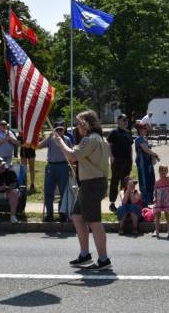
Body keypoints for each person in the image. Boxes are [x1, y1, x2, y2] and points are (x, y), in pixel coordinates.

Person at [54, 109, 112, 271]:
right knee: (77, 216)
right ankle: (85, 254)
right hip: (93, 182)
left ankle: (103, 259)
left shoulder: (89, 140)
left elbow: (73, 155)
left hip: (92, 183)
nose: (77, 126)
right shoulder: (99, 139)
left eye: (79, 122)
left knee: (94, 221)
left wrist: (60, 143)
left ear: (85, 124)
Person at [38, 122, 73, 222]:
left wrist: (71, 167)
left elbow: (71, 154)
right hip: (51, 166)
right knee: (48, 191)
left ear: (64, 130)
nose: (59, 131)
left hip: (63, 166)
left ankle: (62, 212)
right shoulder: (51, 139)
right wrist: (48, 137)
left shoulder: (67, 139)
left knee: (63, 191)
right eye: (57, 129)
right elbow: (39, 146)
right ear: (54, 130)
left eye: (61, 129)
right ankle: (49, 214)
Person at [107, 114, 134, 213]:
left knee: (125, 182)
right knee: (115, 181)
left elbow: (130, 147)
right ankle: (112, 203)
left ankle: (124, 202)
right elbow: (109, 144)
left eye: (126, 120)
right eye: (123, 120)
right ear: (118, 121)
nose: (125, 122)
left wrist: (131, 158)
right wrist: (111, 157)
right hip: (117, 160)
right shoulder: (114, 132)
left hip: (127, 160)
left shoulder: (128, 133)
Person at [135, 121, 158, 205]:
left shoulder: (144, 138)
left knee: (151, 179)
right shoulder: (139, 139)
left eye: (146, 129)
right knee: (144, 180)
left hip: (148, 162)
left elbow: (148, 150)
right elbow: (145, 149)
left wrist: (153, 155)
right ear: (140, 130)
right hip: (142, 162)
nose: (146, 130)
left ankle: (150, 199)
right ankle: (145, 199)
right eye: (144, 128)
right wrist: (155, 154)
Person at [153, 165, 169, 238]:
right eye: (162, 171)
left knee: (167, 215)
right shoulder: (157, 181)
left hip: (166, 200)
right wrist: (154, 197)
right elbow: (155, 191)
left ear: (167, 172)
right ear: (159, 172)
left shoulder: (168, 179)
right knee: (157, 215)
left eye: (165, 171)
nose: (163, 172)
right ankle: (156, 231)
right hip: (159, 200)